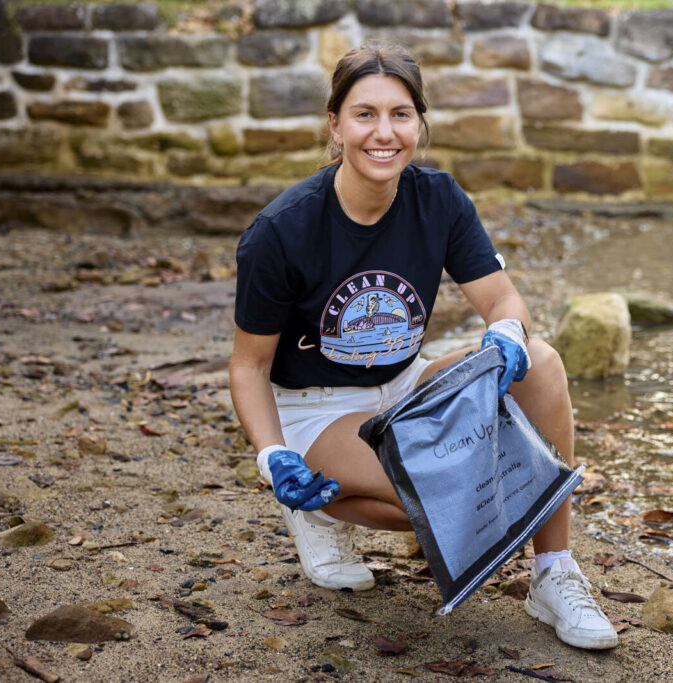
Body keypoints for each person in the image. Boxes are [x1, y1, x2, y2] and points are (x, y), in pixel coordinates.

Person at [229, 42, 618, 651]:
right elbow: (249, 366)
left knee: (541, 363)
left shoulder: (437, 199)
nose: (383, 133)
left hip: (404, 385)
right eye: (364, 114)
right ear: (335, 124)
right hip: (318, 411)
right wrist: (272, 455)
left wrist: (506, 332)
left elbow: (503, 301)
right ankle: (316, 508)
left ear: (419, 124)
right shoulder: (281, 232)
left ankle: (554, 574)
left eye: (401, 114)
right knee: (442, 499)